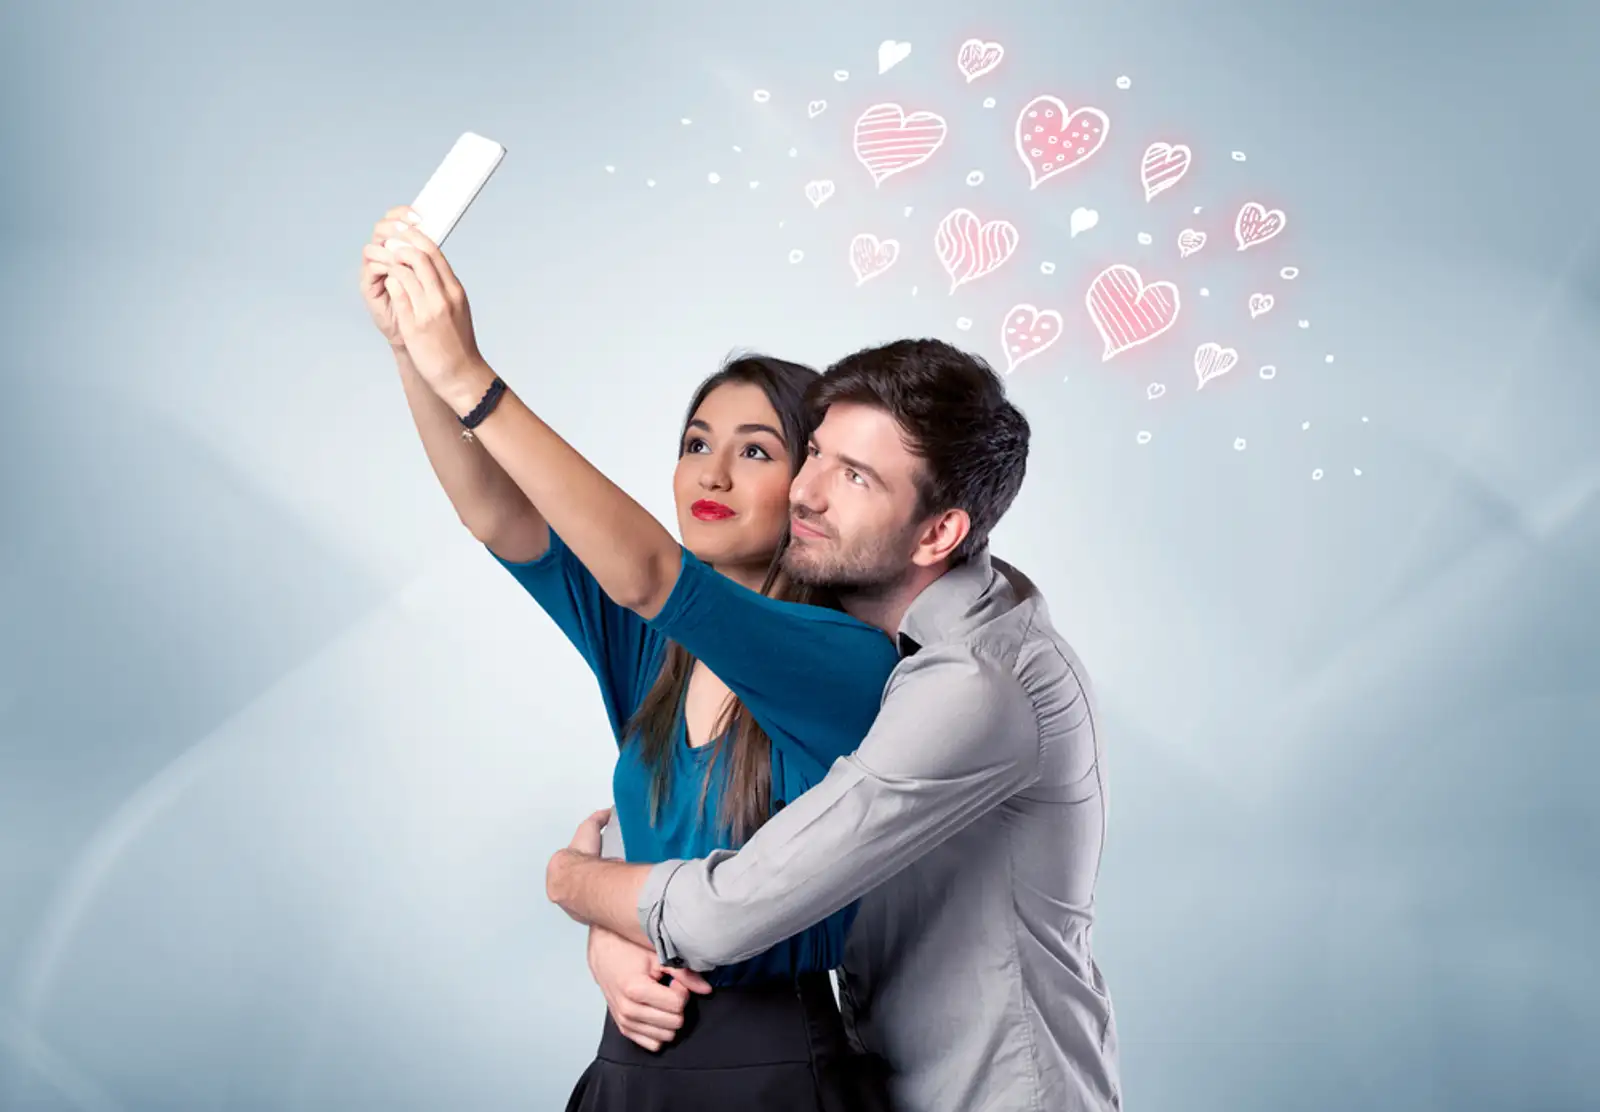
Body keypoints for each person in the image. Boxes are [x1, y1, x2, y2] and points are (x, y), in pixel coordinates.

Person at [359, 205, 900, 1111]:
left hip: (773, 1074)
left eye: (755, 450)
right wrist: (409, 350)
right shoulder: (658, 650)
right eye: (696, 444)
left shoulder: (845, 659)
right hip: (630, 1062)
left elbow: (650, 572)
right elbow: (498, 515)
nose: (712, 474)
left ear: (808, 484)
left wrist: (470, 377)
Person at [540, 341, 1125, 1111]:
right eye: (814, 453)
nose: (805, 493)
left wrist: (575, 885)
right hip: (866, 1078)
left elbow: (727, 909)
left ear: (939, 534)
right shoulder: (863, 641)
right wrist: (613, 940)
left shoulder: (978, 685)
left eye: (855, 477)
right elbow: (701, 832)